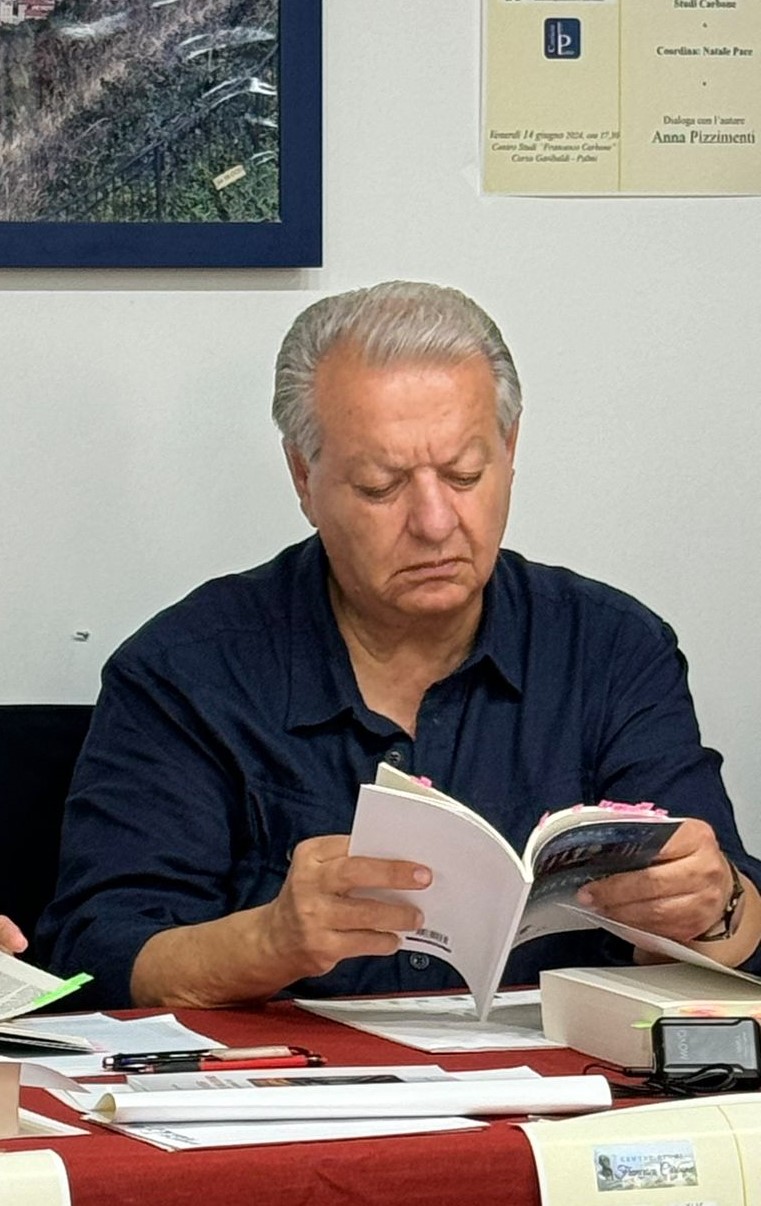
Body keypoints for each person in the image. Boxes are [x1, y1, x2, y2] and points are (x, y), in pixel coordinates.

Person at [37, 280, 761, 1009]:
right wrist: (268, 941)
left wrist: (714, 906)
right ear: (304, 477)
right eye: (381, 487)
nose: (435, 522)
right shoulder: (186, 670)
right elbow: (97, 955)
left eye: (464, 475)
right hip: (290, 1077)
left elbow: (733, 923)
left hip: (562, 1072)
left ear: (510, 450)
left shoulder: (608, 648)